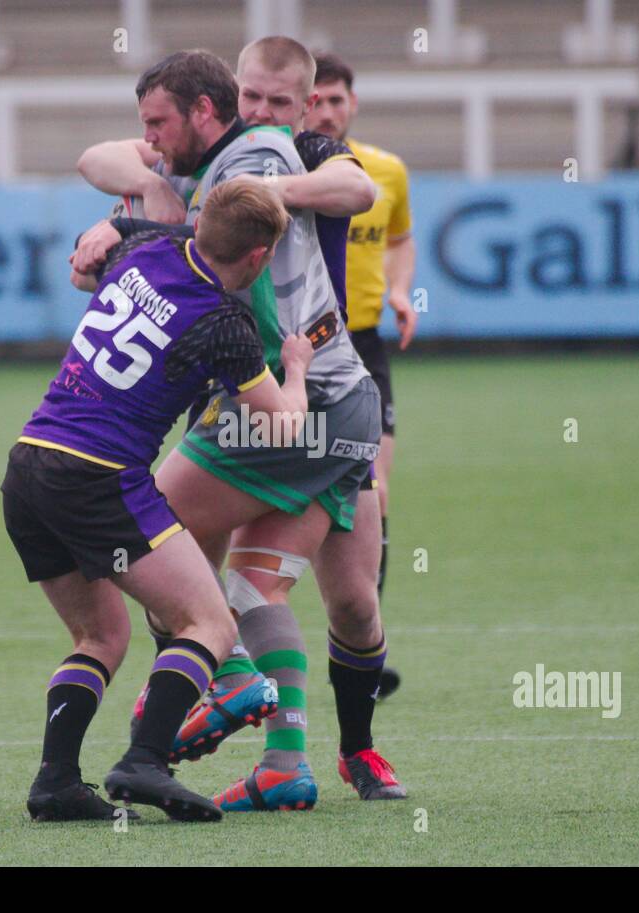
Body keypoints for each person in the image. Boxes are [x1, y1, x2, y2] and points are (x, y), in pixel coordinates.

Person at [74, 41, 406, 809]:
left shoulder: (269, 150)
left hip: (299, 393)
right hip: (323, 395)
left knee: (142, 532)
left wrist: (124, 231)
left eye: (279, 102)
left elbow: (353, 191)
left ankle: (228, 686)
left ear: (303, 103)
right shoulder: (205, 153)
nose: (263, 113)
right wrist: (147, 191)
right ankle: (287, 764)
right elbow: (102, 159)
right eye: (251, 96)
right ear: (229, 92)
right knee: (286, 596)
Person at [2, 179, 314, 822]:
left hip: (27, 466)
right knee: (209, 622)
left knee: (100, 636)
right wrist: (298, 365)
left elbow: (96, 274)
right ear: (257, 260)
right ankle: (144, 761)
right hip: (98, 476)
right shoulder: (225, 323)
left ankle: (56, 783)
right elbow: (283, 425)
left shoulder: (143, 254)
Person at [308, 53, 417, 700]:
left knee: (372, 500)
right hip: (299, 346)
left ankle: (362, 652)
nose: (326, 113)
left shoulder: (386, 172)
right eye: (315, 102)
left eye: (336, 102)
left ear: (354, 103)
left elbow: (401, 239)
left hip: (366, 346)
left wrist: (402, 290)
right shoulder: (287, 171)